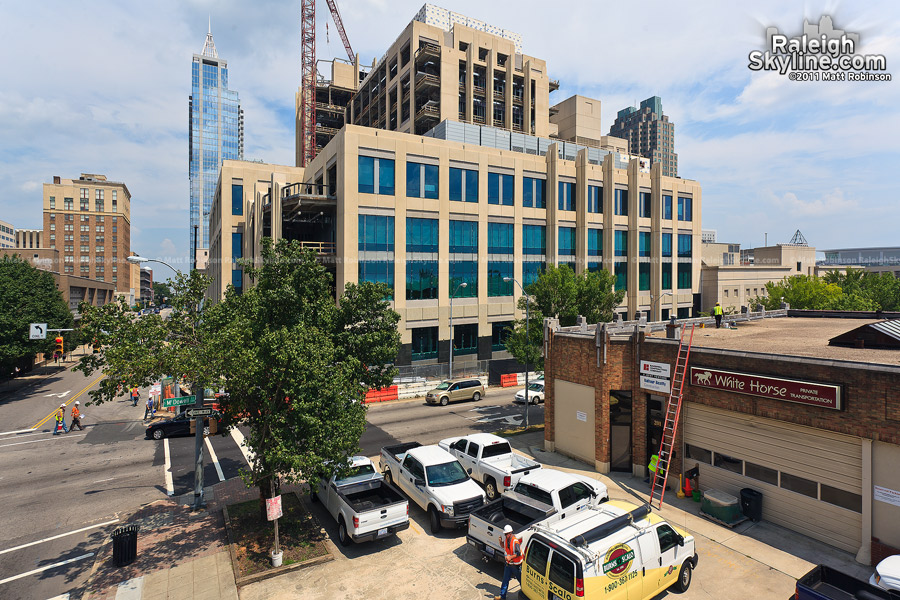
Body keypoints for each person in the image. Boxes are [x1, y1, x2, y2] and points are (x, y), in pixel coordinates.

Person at [495, 525, 523, 600]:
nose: (505, 535)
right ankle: (502, 596)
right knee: (505, 580)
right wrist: (500, 542)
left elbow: (518, 553)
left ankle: (526, 595)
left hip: (515, 565)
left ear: (510, 533)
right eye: (504, 534)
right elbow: (504, 546)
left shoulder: (515, 541)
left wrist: (510, 557)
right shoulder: (506, 539)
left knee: (521, 581)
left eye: (506, 534)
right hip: (508, 564)